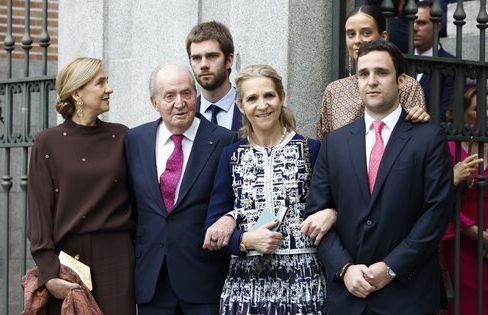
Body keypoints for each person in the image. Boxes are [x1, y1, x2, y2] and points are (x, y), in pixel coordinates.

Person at [305, 40, 453, 314]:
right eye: (363, 74)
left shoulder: (428, 138)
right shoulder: (335, 143)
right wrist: (344, 268)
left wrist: (390, 267)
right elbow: (316, 212)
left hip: (408, 294)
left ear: (400, 80)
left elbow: (437, 213)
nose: (371, 81)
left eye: (381, 73)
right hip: (347, 297)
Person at [204, 64, 331, 314]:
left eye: (269, 96)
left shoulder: (311, 149)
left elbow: (332, 206)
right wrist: (245, 240)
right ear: (241, 105)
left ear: (282, 97)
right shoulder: (231, 155)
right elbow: (213, 226)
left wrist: (332, 213)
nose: (262, 105)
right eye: (252, 98)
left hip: (303, 280)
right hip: (246, 284)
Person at [27, 57, 136, 314]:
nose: (109, 88)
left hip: (117, 258)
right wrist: (48, 272)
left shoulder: (122, 136)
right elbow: (39, 210)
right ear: (77, 92)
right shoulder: (48, 142)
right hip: (68, 264)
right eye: (101, 82)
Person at [125, 63, 235, 314]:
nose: (180, 102)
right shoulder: (135, 140)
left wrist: (229, 219)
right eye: (169, 96)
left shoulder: (224, 140)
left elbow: (236, 199)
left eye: (186, 93)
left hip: (204, 278)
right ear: (154, 103)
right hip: (152, 280)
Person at [317, 4, 428, 141]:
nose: (357, 40)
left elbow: (416, 139)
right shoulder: (334, 91)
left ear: (383, 37)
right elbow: (325, 143)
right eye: (351, 34)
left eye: (366, 33)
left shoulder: (408, 86)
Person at [443, 86, 488, 315]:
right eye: (479, 108)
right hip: (461, 241)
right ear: (461, 114)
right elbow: (440, 200)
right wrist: (479, 235)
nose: (486, 113)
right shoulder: (449, 149)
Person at [186, 21, 242, 131]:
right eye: (196, 58)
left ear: (229, 60)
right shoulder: (186, 113)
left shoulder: (252, 108)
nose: (203, 65)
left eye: (212, 56)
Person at [414, 0, 455, 121]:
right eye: (411, 21)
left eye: (421, 23)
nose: (414, 27)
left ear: (438, 26)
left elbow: (446, 114)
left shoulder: (450, 65)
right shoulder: (400, 62)